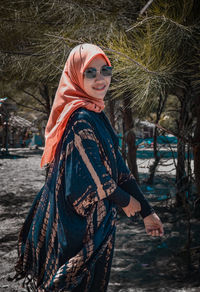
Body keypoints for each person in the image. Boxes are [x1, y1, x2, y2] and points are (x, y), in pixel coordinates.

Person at [14, 43, 164, 292]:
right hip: (78, 230)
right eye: (90, 72)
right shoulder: (80, 119)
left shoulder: (95, 114)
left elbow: (119, 168)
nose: (100, 78)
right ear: (75, 75)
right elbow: (92, 178)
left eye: (105, 70)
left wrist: (147, 212)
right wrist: (126, 200)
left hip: (98, 226)